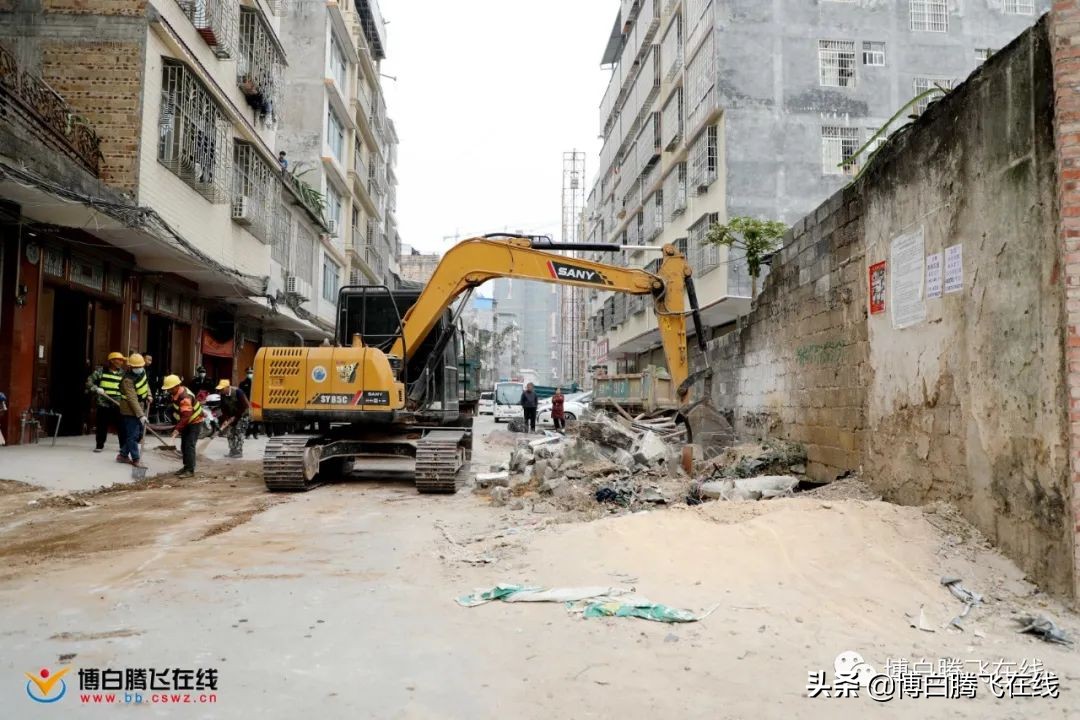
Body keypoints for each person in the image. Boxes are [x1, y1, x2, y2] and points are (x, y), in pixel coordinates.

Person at [162, 374, 204, 478]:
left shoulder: (185, 397)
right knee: (184, 446)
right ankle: (186, 467)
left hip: (194, 422)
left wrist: (177, 429)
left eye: (170, 389)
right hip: (187, 422)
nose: (168, 391)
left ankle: (190, 470)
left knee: (189, 445)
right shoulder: (177, 392)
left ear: (177, 386)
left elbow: (186, 416)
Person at [85, 351, 126, 453]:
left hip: (117, 403)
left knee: (121, 426)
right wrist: (96, 388)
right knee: (101, 426)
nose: (121, 362)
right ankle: (99, 445)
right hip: (103, 403)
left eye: (122, 360)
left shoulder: (123, 374)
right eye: (119, 360)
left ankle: (123, 447)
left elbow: (126, 388)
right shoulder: (101, 371)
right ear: (112, 361)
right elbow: (89, 382)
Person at [117, 354, 149, 467]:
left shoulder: (142, 372)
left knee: (138, 434)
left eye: (140, 366)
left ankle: (122, 455)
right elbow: (132, 398)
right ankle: (136, 458)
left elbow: (145, 384)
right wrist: (140, 415)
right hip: (129, 409)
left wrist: (149, 395)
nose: (139, 368)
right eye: (136, 367)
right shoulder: (127, 380)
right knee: (133, 435)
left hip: (140, 406)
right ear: (130, 367)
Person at [216, 379, 250, 458]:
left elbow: (244, 406)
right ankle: (232, 451)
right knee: (230, 433)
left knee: (239, 432)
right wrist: (225, 419)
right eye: (220, 389)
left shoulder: (238, 392)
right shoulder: (223, 395)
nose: (220, 391)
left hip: (242, 415)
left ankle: (238, 452)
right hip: (232, 415)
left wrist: (236, 417)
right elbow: (223, 408)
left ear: (228, 387)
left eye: (222, 389)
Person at [239, 367, 260, 439]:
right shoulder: (242, 383)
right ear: (246, 373)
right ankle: (247, 433)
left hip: (256, 403)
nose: (250, 374)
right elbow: (241, 394)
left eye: (251, 372)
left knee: (256, 418)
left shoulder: (258, 383)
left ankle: (255, 433)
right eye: (248, 373)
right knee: (247, 418)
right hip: (247, 402)